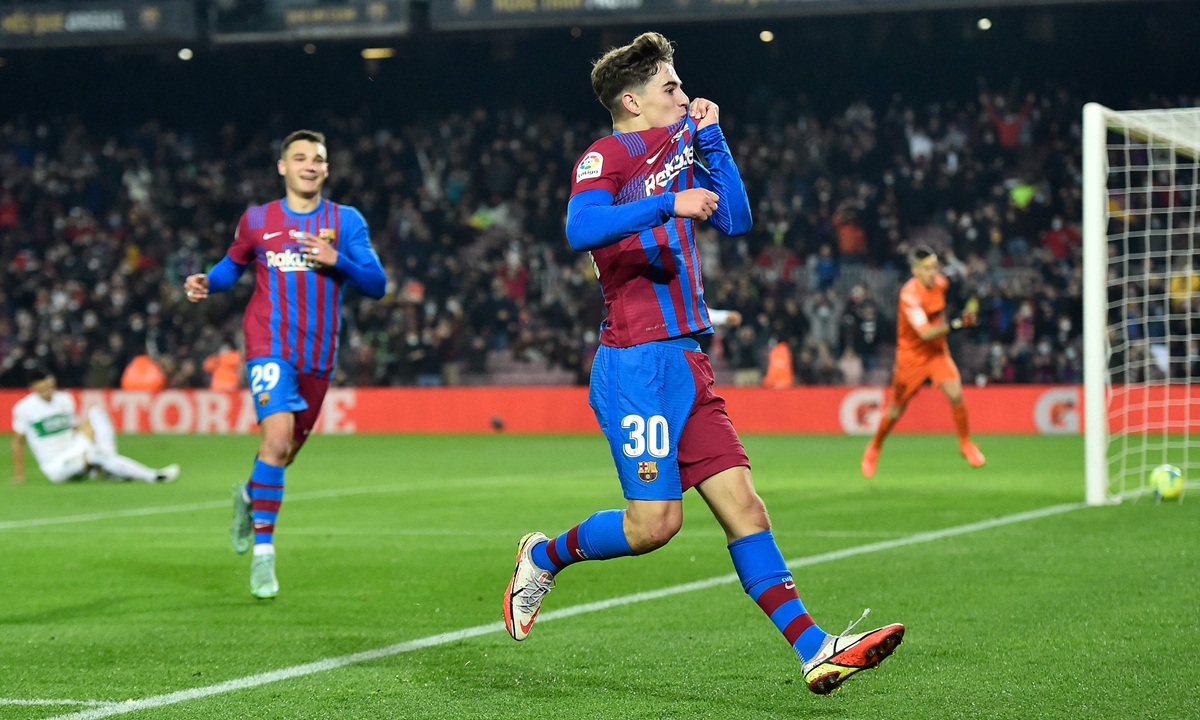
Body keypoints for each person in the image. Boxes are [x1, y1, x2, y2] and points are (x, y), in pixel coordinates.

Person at [502, 32, 903, 696]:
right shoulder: (606, 155)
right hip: (635, 366)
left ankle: (815, 648)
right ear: (631, 100)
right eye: (672, 88)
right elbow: (579, 229)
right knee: (654, 525)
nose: (685, 96)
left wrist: (712, 145)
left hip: (687, 363)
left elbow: (739, 220)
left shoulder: (681, 148)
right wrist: (668, 202)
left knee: (746, 506)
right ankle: (542, 556)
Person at [184, 130, 386, 599]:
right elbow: (231, 265)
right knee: (274, 442)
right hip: (267, 345)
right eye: (300, 158)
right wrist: (206, 283)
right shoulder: (257, 219)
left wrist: (338, 260)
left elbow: (376, 284)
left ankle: (250, 495)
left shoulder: (346, 221)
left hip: (318, 355)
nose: (310, 165)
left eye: (318, 158)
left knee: (284, 454)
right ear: (283, 167)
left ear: (326, 169)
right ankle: (263, 557)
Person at [861, 245, 985, 478]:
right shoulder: (909, 295)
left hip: (937, 353)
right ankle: (875, 447)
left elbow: (961, 280)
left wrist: (970, 299)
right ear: (915, 270)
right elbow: (926, 333)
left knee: (956, 394)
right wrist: (959, 324)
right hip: (911, 359)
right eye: (927, 268)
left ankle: (966, 444)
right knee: (896, 411)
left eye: (935, 267)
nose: (933, 273)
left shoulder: (940, 283)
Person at [10, 368, 179, 485]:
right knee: (95, 453)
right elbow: (18, 441)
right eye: (42, 389)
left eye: (48, 386)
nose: (47, 391)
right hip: (56, 465)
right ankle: (153, 476)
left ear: (52, 382)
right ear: (33, 389)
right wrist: (19, 475)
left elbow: (74, 428)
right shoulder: (24, 408)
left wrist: (89, 436)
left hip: (74, 449)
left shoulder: (64, 399)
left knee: (96, 412)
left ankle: (108, 463)